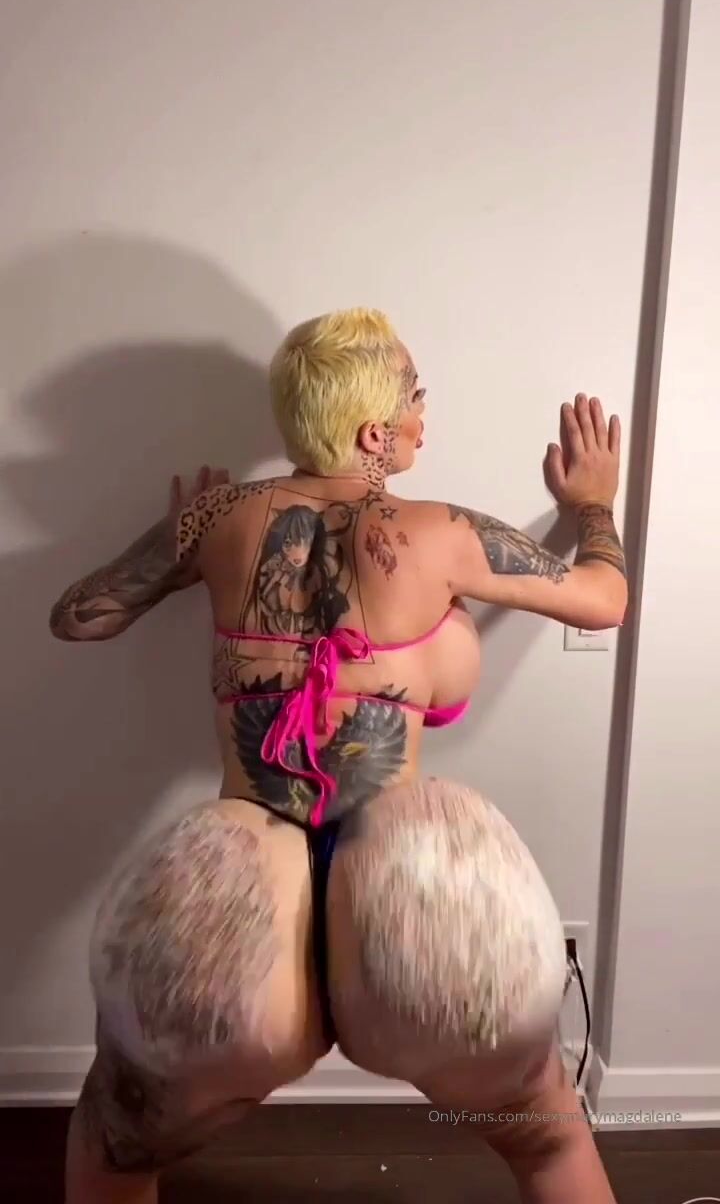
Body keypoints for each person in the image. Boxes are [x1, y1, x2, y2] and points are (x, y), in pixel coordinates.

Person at [50, 309, 627, 1204]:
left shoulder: (220, 518)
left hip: (244, 877)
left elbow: (79, 616)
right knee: (548, 1140)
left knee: (113, 1141)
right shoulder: (440, 532)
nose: (423, 412)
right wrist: (592, 505)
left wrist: (176, 542)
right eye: (414, 395)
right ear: (372, 432)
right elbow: (604, 599)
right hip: (402, 887)